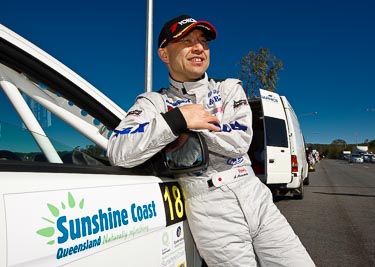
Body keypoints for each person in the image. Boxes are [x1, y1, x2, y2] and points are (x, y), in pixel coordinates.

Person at [107, 14, 315, 267]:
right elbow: (119, 151)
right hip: (210, 210)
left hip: (256, 197)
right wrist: (176, 121)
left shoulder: (228, 89)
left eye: (203, 41)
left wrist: (193, 129)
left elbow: (239, 141)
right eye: (187, 40)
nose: (199, 48)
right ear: (164, 54)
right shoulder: (153, 103)